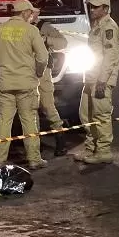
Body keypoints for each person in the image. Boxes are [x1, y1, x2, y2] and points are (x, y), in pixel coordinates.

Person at [0, 0, 49, 170]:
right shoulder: (31, 30)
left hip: (4, 84)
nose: (32, 15)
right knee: (29, 121)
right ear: (24, 12)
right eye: (30, 12)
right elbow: (43, 57)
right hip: (27, 84)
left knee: (4, 122)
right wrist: (38, 72)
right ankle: (34, 159)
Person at [75, 0, 119, 164]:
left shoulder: (109, 27)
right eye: (91, 6)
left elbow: (111, 57)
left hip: (101, 80)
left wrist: (102, 80)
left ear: (105, 8)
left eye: (96, 7)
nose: (92, 9)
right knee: (86, 115)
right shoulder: (97, 25)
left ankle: (103, 151)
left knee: (101, 116)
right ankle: (90, 149)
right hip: (91, 77)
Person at [31, 8, 69, 157]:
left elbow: (63, 42)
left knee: (48, 106)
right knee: (31, 109)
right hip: (26, 72)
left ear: (37, 13)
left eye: (32, 11)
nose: (29, 14)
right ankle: (35, 145)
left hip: (43, 73)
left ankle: (60, 140)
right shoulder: (20, 27)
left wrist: (46, 39)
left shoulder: (44, 27)